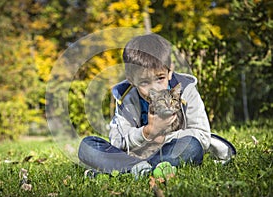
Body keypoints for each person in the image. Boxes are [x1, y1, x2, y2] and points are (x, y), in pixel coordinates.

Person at [78, 33, 235, 178]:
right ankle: (144, 170)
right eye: (145, 82)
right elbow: (118, 142)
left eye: (160, 78)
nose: (155, 88)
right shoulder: (126, 97)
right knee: (88, 145)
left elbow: (202, 136)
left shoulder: (186, 90)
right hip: (135, 156)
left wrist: (162, 137)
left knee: (192, 147)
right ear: (131, 80)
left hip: (168, 151)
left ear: (170, 71)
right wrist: (148, 132)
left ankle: (128, 172)